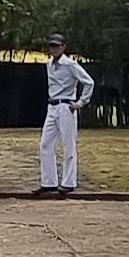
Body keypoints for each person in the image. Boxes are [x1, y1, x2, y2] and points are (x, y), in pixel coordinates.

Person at [37, 35, 94, 196]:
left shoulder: (70, 64)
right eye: (52, 46)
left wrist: (81, 102)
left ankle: (69, 182)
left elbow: (89, 82)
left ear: (63, 47)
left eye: (57, 46)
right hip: (52, 105)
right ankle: (48, 182)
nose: (54, 49)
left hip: (66, 105)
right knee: (46, 144)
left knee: (68, 145)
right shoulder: (49, 64)